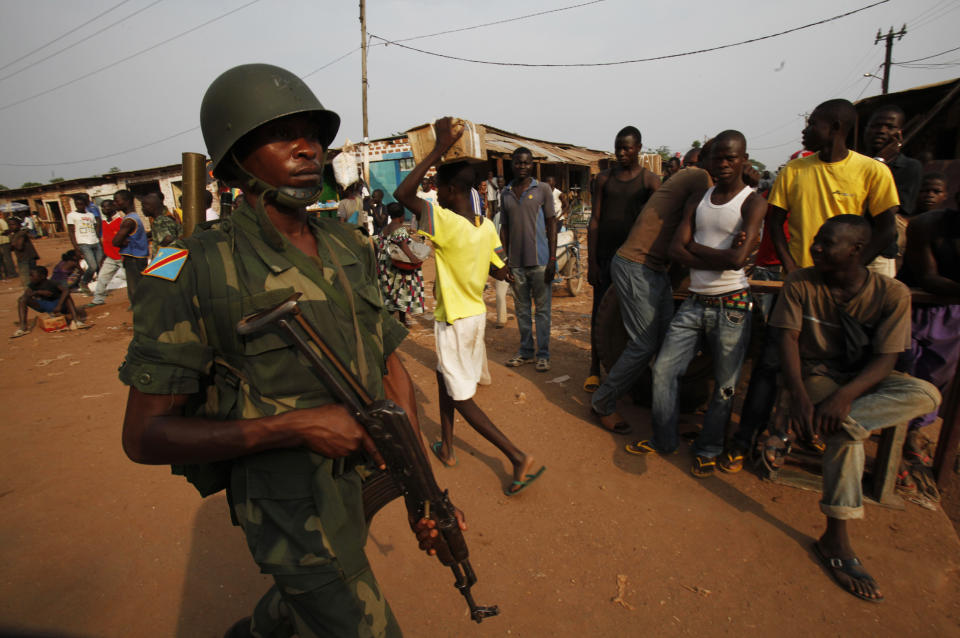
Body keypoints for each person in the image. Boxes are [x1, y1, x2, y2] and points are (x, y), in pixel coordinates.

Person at [118, 63, 452, 637]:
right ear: (235, 159)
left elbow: (390, 362)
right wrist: (299, 426)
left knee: (306, 604)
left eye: (314, 135)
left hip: (354, 481)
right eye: (283, 135)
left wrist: (423, 484)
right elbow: (143, 436)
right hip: (286, 504)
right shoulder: (186, 267)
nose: (308, 149)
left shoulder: (348, 244)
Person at [771, 215, 940, 602]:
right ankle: (836, 540)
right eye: (816, 239)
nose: (815, 247)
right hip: (818, 374)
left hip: (864, 381)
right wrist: (800, 397)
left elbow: (886, 360)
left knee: (927, 395)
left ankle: (841, 424)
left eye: (826, 242)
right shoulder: (802, 283)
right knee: (848, 442)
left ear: (857, 251)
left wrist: (843, 399)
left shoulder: (891, 293)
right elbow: (788, 343)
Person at [394, 117, 544, 495]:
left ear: (448, 189)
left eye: (438, 189)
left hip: (456, 320)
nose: (435, 195)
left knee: (462, 396)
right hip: (474, 316)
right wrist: (506, 274)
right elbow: (500, 266)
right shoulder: (486, 227)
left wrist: (440, 147)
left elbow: (403, 193)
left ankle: (515, 455)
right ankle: (446, 447)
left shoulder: (443, 222)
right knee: (449, 379)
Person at [626, 131, 766, 477]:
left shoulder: (753, 201)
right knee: (664, 371)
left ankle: (709, 448)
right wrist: (723, 253)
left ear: (744, 160)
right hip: (695, 301)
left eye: (730, 158)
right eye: (717, 157)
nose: (722, 164)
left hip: (732, 304)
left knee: (724, 385)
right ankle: (664, 440)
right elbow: (677, 250)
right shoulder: (699, 199)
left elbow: (737, 261)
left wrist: (700, 252)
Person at [589, 144, 713, 433]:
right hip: (637, 265)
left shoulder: (689, 177)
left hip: (653, 268)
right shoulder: (700, 178)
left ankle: (666, 414)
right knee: (645, 344)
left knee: (669, 343)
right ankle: (602, 403)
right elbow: (686, 238)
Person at [768, 99, 899, 277]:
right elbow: (774, 223)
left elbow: (887, 229)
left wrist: (854, 266)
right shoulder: (793, 169)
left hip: (841, 279)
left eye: (812, 124)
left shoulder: (872, 170)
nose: (805, 131)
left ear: (835, 127)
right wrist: (790, 266)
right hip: (800, 276)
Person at [584, 126, 660, 393]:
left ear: (639, 148)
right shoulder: (604, 179)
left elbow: (659, 222)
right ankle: (594, 368)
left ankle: (628, 369)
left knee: (631, 315)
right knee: (599, 313)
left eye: (627, 148)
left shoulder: (650, 182)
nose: (622, 153)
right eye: (618, 148)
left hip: (633, 261)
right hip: (605, 257)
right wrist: (591, 262)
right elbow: (594, 221)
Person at [897, 193, 960, 488]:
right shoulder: (927, 225)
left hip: (953, 312)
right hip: (912, 304)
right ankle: (891, 443)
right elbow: (928, 277)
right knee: (901, 369)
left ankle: (913, 433)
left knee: (937, 376)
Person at [501, 147, 557, 372]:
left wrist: (553, 258)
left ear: (532, 164)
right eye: (518, 162)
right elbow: (504, 229)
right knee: (522, 310)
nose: (522, 166)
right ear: (512, 164)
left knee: (542, 311)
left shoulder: (542, 189)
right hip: (516, 263)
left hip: (541, 261)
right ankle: (525, 351)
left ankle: (543, 354)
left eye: (526, 163)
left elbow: (552, 223)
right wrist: (504, 260)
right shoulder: (505, 193)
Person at [376, 201, 425, 326]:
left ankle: (391, 319)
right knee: (402, 290)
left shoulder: (386, 228)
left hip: (385, 263)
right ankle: (400, 320)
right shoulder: (399, 228)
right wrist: (414, 258)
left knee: (390, 291)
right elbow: (403, 245)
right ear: (402, 216)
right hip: (397, 264)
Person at [12, 265, 86, 337]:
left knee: (67, 296)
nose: (30, 278)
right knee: (22, 300)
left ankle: (76, 321)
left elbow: (66, 290)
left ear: (42, 276)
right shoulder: (32, 285)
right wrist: (38, 292)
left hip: (58, 305)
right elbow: (25, 296)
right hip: (45, 305)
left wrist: (59, 305)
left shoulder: (52, 283)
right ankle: (23, 327)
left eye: (32, 276)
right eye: (30, 275)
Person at [112, 189, 149, 306]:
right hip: (138, 257)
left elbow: (115, 242)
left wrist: (121, 242)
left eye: (117, 201)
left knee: (135, 289)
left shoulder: (128, 221)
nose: (115, 204)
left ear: (127, 201)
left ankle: (140, 312)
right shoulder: (134, 217)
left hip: (133, 258)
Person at [87, 199, 126, 307]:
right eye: (103, 207)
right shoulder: (104, 223)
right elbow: (106, 241)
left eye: (107, 207)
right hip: (110, 257)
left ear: (114, 206)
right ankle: (98, 299)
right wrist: (103, 256)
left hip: (122, 256)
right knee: (102, 278)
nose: (105, 209)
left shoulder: (121, 221)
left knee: (133, 280)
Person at [68, 194, 103, 293]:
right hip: (84, 243)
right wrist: (75, 247)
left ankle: (101, 289)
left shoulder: (90, 215)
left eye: (81, 204)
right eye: (77, 204)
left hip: (95, 242)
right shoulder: (71, 215)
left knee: (100, 266)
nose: (79, 206)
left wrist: (98, 238)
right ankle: (84, 282)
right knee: (93, 266)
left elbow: (96, 225)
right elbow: (71, 232)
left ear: (85, 204)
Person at [10, 216, 39, 288]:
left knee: (27, 280)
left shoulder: (21, 234)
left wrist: (13, 242)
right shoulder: (16, 234)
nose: (11, 227)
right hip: (24, 258)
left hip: (26, 259)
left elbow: (19, 247)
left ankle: (30, 294)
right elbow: (12, 249)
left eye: (13, 224)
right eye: (10, 225)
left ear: (19, 225)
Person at [0, 212, 16, 279]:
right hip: (2, 242)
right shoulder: (1, 221)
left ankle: (9, 273)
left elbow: (6, 230)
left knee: (5, 259)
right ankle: (9, 273)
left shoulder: (1, 221)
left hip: (4, 242)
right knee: (5, 259)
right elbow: (6, 230)